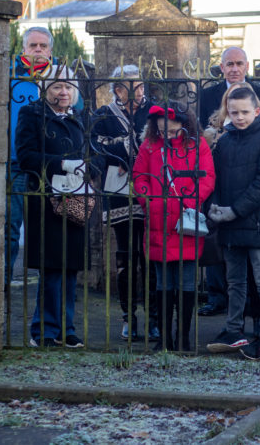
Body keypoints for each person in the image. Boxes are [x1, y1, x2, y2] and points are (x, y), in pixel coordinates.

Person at [203, 82, 260, 349]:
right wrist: (216, 207)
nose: (239, 117)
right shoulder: (224, 141)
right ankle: (233, 329)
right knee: (234, 281)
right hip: (230, 222)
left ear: (256, 111)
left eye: (244, 112)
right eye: (234, 112)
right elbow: (216, 179)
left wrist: (234, 210)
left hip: (257, 223)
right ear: (228, 111)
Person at [16, 65, 91, 348]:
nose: (63, 92)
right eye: (58, 86)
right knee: (51, 266)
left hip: (75, 198)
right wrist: (61, 164)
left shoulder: (80, 119)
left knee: (70, 267)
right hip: (45, 197)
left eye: (68, 87)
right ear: (46, 88)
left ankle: (67, 329)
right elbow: (25, 156)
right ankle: (44, 330)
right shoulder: (32, 114)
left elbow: (92, 153)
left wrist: (87, 167)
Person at [197, 46, 260, 317]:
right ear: (221, 67)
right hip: (219, 177)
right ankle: (216, 296)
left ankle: (253, 305)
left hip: (251, 180)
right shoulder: (208, 95)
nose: (234, 68)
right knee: (216, 240)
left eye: (239, 63)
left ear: (247, 65)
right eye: (229, 63)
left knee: (252, 258)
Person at [133, 102, 216, 351]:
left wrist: (189, 200)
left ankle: (183, 336)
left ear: (184, 125)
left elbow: (207, 177)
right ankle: (165, 337)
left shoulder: (198, 145)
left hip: (185, 221)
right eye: (162, 131)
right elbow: (139, 177)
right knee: (163, 282)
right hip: (158, 219)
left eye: (172, 131)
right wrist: (149, 201)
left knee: (187, 282)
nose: (167, 135)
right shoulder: (150, 146)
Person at [91, 64, 159, 342]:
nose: (137, 92)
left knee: (151, 256)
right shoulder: (103, 114)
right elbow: (96, 147)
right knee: (126, 256)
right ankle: (128, 317)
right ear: (117, 90)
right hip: (117, 191)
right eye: (130, 87)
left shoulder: (154, 111)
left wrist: (120, 146)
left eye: (140, 86)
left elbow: (161, 143)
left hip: (151, 189)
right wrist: (127, 150)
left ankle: (154, 317)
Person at [7, 27, 54, 287]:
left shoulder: (61, 77)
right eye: (33, 45)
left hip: (50, 166)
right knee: (9, 229)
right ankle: (2, 282)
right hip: (14, 164)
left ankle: (51, 287)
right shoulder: (10, 76)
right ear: (24, 49)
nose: (37, 50)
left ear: (50, 50)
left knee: (48, 231)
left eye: (43, 46)